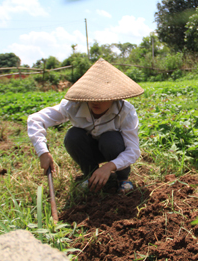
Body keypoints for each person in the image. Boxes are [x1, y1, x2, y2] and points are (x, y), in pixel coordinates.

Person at [27, 58, 144, 193]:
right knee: (73, 135)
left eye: (102, 97)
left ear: (114, 97)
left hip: (113, 150)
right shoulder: (73, 106)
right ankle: (91, 175)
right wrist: (43, 151)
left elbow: (133, 151)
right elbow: (35, 119)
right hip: (89, 151)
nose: (95, 102)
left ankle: (122, 179)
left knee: (110, 138)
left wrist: (109, 166)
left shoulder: (125, 111)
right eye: (91, 97)